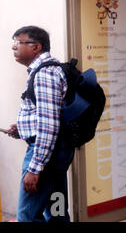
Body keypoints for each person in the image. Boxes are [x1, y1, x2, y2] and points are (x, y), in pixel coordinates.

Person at [7, 26, 75, 222]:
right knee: (57, 212)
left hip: (44, 154)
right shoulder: (48, 70)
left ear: (36, 47)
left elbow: (49, 125)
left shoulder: (44, 74)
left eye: (18, 43)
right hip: (55, 152)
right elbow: (48, 116)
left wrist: (35, 169)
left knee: (27, 216)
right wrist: (22, 129)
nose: (14, 47)